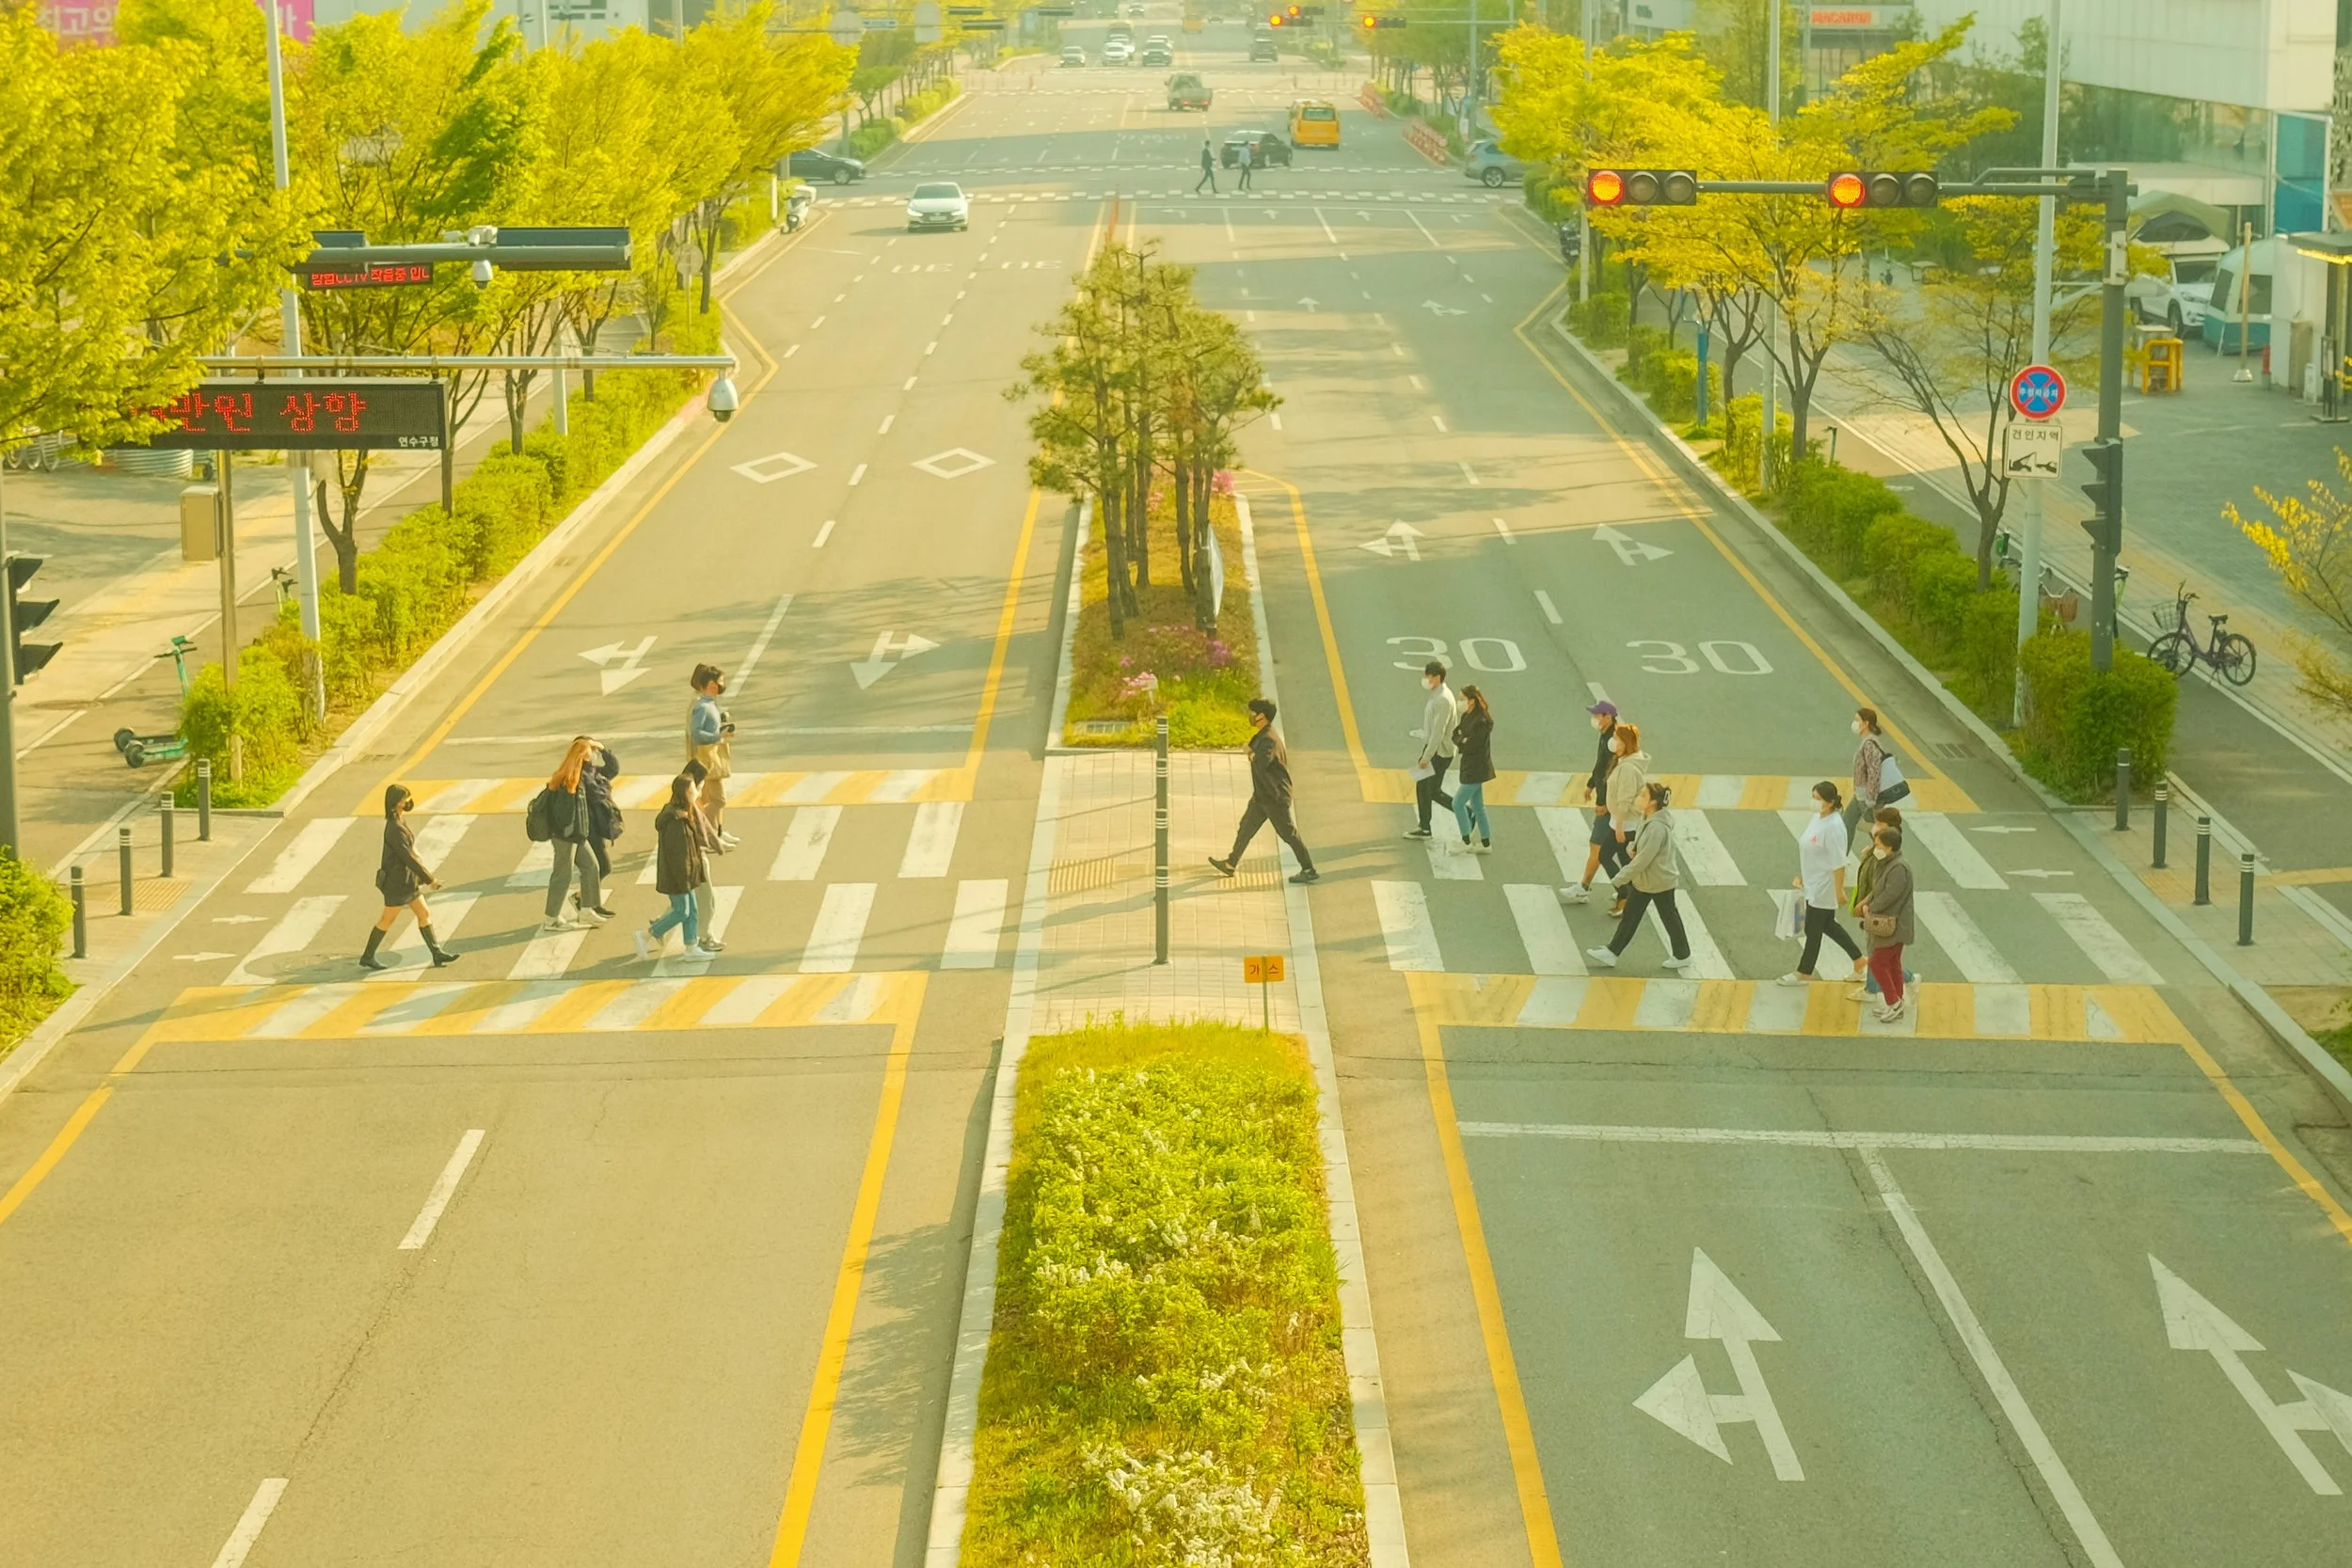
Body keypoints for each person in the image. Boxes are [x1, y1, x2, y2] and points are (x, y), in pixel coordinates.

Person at [1210, 697, 1319, 883]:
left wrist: (1250, 753)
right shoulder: (1263, 734)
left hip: (1275, 796)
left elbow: (1261, 763)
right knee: (1246, 828)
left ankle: (1308, 869)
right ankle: (1230, 863)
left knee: (1288, 834)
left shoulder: (1269, 739)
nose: (1250, 716)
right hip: (1263, 795)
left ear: (1262, 716)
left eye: (1254, 712)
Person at [1586, 782, 1691, 971]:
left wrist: (1620, 878)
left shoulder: (1656, 828)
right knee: (1633, 916)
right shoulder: (1647, 818)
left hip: (1658, 881)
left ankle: (1682, 955)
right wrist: (1631, 848)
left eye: (1643, 795)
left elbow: (1643, 860)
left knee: (1667, 916)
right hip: (1649, 880)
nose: (1638, 798)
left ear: (1652, 803)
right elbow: (1640, 847)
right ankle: (1612, 952)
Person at [361, 784, 457, 970]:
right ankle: (367, 956)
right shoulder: (395, 828)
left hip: (407, 881)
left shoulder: (399, 821)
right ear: (398, 802)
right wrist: (431, 880)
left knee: (424, 913)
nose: (409, 801)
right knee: (387, 920)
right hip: (397, 883)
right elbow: (408, 858)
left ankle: (437, 954)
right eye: (405, 798)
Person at [1781, 780, 1867, 986]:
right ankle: (1860, 961)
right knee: (1828, 925)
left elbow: (1839, 863)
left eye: (1818, 799)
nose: (1814, 802)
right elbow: (1810, 849)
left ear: (1829, 802)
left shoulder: (1835, 827)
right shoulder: (1817, 818)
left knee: (1813, 928)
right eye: (1813, 797)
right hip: (1813, 882)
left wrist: (1839, 891)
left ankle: (1804, 971)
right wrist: (1803, 875)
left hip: (1824, 887)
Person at [634, 775, 706, 960]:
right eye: (692, 791)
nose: (696, 793)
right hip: (678, 875)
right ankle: (646, 934)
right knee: (682, 911)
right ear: (684, 794)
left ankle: (691, 947)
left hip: (687, 873)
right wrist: (684, 879)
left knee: (692, 910)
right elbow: (677, 855)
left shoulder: (681, 813)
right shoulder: (676, 820)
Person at [541, 737, 607, 931]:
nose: (593, 759)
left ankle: (586, 909)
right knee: (562, 875)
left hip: (576, 834)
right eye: (590, 755)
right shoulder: (569, 779)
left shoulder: (577, 774)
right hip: (565, 836)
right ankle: (551, 918)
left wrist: (598, 746)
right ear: (582, 758)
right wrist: (570, 833)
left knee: (591, 866)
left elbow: (609, 768)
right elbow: (564, 815)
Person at [1850, 804, 1915, 996]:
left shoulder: (1892, 859)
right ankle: (1896, 989)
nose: (1875, 826)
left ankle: (1884, 993)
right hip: (1875, 904)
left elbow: (1889, 892)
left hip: (1886, 914)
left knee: (1878, 957)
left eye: (1879, 823)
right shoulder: (1880, 845)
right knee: (1883, 956)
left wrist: (1869, 905)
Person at [1561, 700, 1620, 905]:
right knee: (1615, 848)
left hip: (1611, 804)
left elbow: (1609, 773)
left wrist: (1602, 802)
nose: (1594, 719)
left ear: (1608, 717)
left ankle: (1585, 887)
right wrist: (1590, 784)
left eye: (1597, 715)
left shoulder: (1613, 741)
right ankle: (1625, 888)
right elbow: (1600, 766)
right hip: (1612, 802)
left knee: (1598, 845)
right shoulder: (1606, 737)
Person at [1598, 721, 1650, 918]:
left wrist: (1619, 825)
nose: (1613, 742)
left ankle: (1624, 894)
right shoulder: (1627, 761)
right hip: (1622, 822)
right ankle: (1627, 892)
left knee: (1605, 856)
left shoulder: (1628, 768)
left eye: (1616, 739)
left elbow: (1625, 799)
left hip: (1625, 824)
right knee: (1624, 860)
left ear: (1625, 743)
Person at [1404, 659, 1457, 840]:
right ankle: (1424, 827)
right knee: (1426, 787)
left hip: (1438, 752)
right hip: (1434, 749)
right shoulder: (1437, 695)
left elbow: (1438, 733)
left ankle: (1467, 814)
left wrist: (1426, 757)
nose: (1425, 680)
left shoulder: (1443, 700)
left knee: (1430, 789)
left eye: (1428, 676)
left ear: (1437, 677)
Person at [687, 663, 739, 849]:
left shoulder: (710, 704)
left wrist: (722, 719)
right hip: (707, 760)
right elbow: (696, 733)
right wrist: (718, 736)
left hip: (714, 758)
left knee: (713, 799)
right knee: (718, 800)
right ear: (711, 684)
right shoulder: (702, 707)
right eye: (720, 681)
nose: (722, 685)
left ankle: (717, 832)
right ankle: (705, 836)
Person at [680, 759, 727, 954]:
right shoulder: (689, 806)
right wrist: (716, 845)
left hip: (690, 860)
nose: (702, 788)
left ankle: (658, 927)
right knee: (707, 900)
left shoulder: (683, 799)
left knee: (686, 901)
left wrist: (717, 844)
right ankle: (706, 937)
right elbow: (703, 829)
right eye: (701, 784)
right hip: (696, 860)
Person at [1846, 706, 1908, 841]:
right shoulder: (1868, 742)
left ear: (1866, 723)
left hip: (1867, 797)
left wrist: (1871, 799)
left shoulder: (1869, 744)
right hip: (1862, 794)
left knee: (1874, 831)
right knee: (1849, 823)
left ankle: (1887, 851)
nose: (1854, 723)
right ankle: (1841, 858)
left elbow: (1874, 772)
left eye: (1857, 720)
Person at [1451, 685, 1494, 853]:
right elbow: (1456, 734)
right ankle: (1485, 844)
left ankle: (1466, 840)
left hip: (1477, 769)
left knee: (1457, 803)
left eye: (1462, 698)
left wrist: (1462, 740)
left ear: (1472, 701)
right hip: (1470, 767)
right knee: (1477, 805)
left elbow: (1471, 745)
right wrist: (1462, 739)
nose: (1459, 702)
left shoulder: (1482, 722)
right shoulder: (1467, 716)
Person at [580, 736, 623, 879]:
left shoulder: (595, 773)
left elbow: (613, 769)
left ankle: (587, 898)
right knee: (602, 867)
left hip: (597, 828)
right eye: (591, 751)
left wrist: (603, 749)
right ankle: (585, 897)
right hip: (585, 830)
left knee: (597, 868)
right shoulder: (576, 776)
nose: (594, 754)